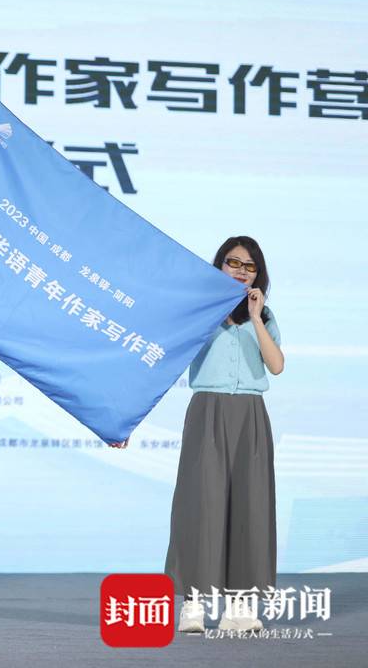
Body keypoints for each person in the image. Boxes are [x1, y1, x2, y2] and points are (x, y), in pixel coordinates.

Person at [166, 236, 284, 634]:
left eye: (249, 266)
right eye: (233, 262)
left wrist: (256, 317)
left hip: (250, 415)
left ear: (257, 274)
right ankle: (194, 605)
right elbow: (168, 358)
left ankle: (240, 606)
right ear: (219, 265)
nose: (240, 271)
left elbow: (276, 365)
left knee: (251, 507)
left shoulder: (265, 316)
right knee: (200, 505)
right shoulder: (200, 312)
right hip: (208, 411)